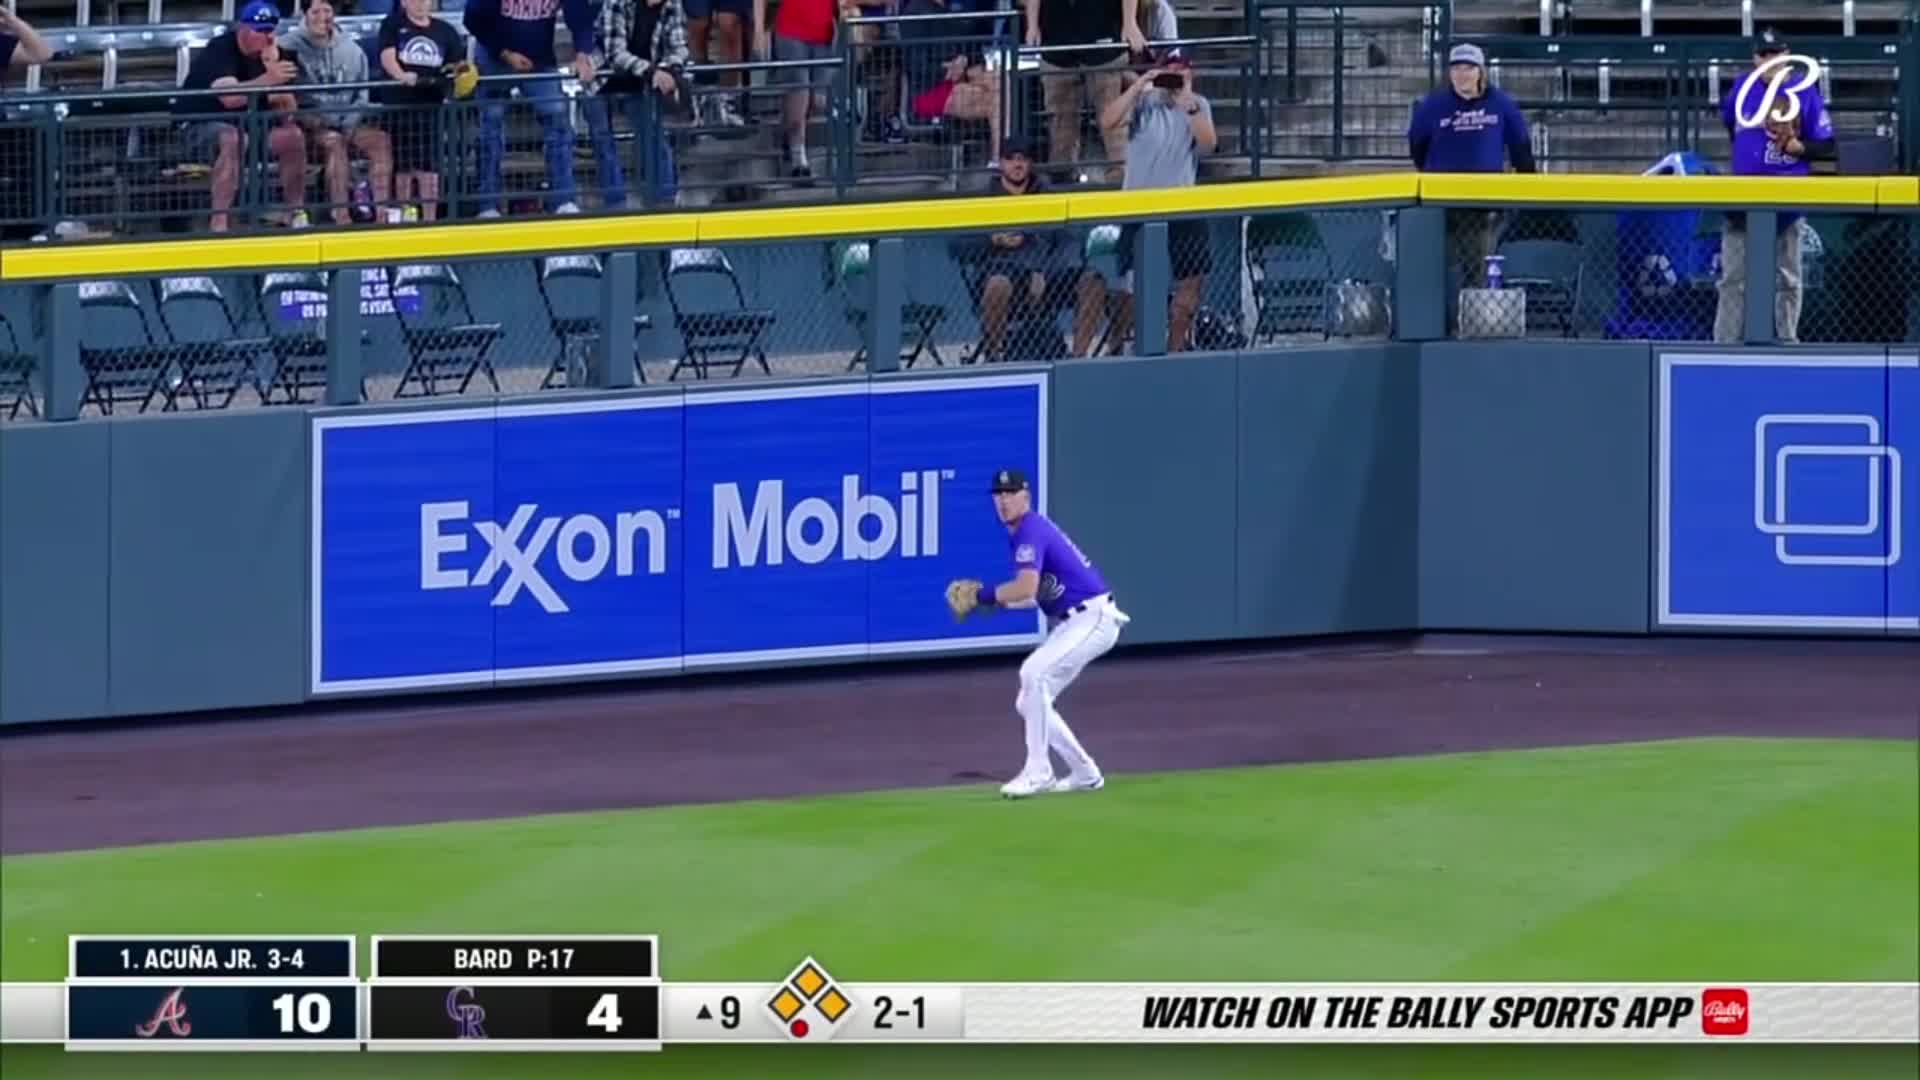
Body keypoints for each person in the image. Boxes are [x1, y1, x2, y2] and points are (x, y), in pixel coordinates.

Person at [946, 467, 1129, 799]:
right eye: (998, 495)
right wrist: (991, 602)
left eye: (1010, 494)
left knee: (1033, 674)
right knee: (1028, 700)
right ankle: (1085, 772)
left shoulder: (1030, 529)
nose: (1003, 501)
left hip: (1093, 618)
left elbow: (1025, 586)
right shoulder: (1022, 533)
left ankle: (1039, 770)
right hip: (1076, 620)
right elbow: (1032, 596)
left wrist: (982, 595)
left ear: (1025, 497)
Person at [1088, 48, 1213, 353]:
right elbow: (1107, 121)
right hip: (1139, 207)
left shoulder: (1198, 105)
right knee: (1129, 287)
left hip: (1183, 208)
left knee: (1191, 282)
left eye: (1182, 70)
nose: (1176, 76)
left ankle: (1175, 351)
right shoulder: (1143, 102)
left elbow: (1209, 145)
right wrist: (1139, 83)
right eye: (1170, 70)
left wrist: (1188, 104)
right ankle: (1119, 345)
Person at [1714, 28, 1834, 345]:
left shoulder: (1805, 91)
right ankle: (1724, 345)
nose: (1769, 60)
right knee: (1732, 278)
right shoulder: (1741, 88)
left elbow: (1826, 146)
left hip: (1788, 198)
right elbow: (1730, 127)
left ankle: (1787, 342)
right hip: (1743, 197)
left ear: (1788, 56)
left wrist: (1800, 149)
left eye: (1775, 53)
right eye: (1763, 54)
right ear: (1755, 58)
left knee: (1789, 279)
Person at [463, 0, 618, 216]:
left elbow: (580, 17)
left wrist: (582, 53)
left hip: (539, 60)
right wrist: (505, 53)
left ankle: (563, 200)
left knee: (558, 122)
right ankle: (487, 205)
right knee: (490, 128)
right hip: (494, 59)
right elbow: (473, 19)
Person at [171, 1, 309, 232]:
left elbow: (288, 114)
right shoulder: (220, 49)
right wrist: (268, 81)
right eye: (260, 30)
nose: (266, 37)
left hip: (252, 128)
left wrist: (270, 66)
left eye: (270, 30)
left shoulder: (280, 57)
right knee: (232, 138)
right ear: (242, 29)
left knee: (291, 137)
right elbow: (230, 98)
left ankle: (295, 212)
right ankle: (219, 222)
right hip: (200, 126)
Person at [1407, 42, 1535, 292]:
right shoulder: (1433, 105)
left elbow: (1521, 146)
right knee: (1433, 264)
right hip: (1440, 201)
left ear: (1480, 72)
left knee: (1477, 265)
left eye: (1468, 68)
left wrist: (1527, 183)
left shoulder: (1501, 103)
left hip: (1482, 203)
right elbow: (1417, 144)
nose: (1462, 75)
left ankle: (1471, 320)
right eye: (1456, 69)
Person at [280, 0, 397, 225]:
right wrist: (312, 121)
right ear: (305, 14)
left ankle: (381, 212)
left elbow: (362, 95)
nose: (321, 17)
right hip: (311, 126)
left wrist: (348, 123)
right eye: (316, 11)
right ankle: (340, 213)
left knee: (380, 141)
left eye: (327, 11)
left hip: (347, 123)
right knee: (334, 143)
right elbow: (288, 97)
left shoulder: (352, 50)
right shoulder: (287, 47)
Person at [589, 0, 690, 208]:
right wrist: (653, 71)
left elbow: (679, 47)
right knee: (602, 139)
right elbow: (615, 54)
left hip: (642, 81)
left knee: (652, 134)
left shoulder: (672, 5)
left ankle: (664, 200)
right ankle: (615, 202)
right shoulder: (616, 3)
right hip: (602, 78)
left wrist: (668, 68)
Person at [376, 0, 468, 221]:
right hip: (400, 105)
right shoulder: (392, 24)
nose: (420, 3)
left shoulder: (445, 31)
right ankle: (406, 214)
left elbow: (457, 64)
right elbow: (387, 56)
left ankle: (430, 218)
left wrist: (463, 75)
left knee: (430, 168)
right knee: (403, 166)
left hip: (431, 106)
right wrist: (401, 75)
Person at [1023, 0, 1130, 183]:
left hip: (1103, 37)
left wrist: (1130, 23)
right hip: (1056, 39)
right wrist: (1032, 25)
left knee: (1112, 112)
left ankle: (1121, 172)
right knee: (1060, 114)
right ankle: (1062, 172)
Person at [753, 0, 838, 181]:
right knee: (799, 93)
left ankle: (788, 136)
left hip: (825, 36)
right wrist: (760, 31)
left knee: (816, 100)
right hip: (791, 31)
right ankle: (799, 158)